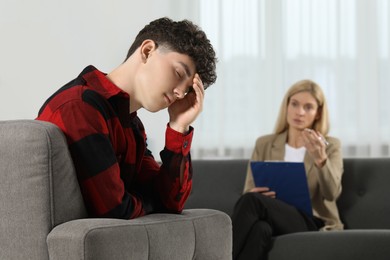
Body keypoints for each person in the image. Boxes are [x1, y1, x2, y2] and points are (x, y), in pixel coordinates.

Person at [36, 17, 217, 219]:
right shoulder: (80, 107)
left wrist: (178, 127)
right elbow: (116, 211)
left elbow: (170, 203)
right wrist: (150, 202)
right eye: (178, 72)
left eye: (187, 90)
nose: (179, 93)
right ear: (147, 51)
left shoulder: (131, 125)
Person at [232, 79, 343, 260]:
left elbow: (331, 194)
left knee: (251, 201)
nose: (299, 112)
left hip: (312, 221)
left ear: (318, 113)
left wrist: (321, 159)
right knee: (260, 229)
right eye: (295, 104)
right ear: (287, 106)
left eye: (308, 107)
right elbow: (248, 191)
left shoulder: (330, 146)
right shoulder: (265, 143)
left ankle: (217, 255)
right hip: (271, 216)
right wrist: (255, 192)